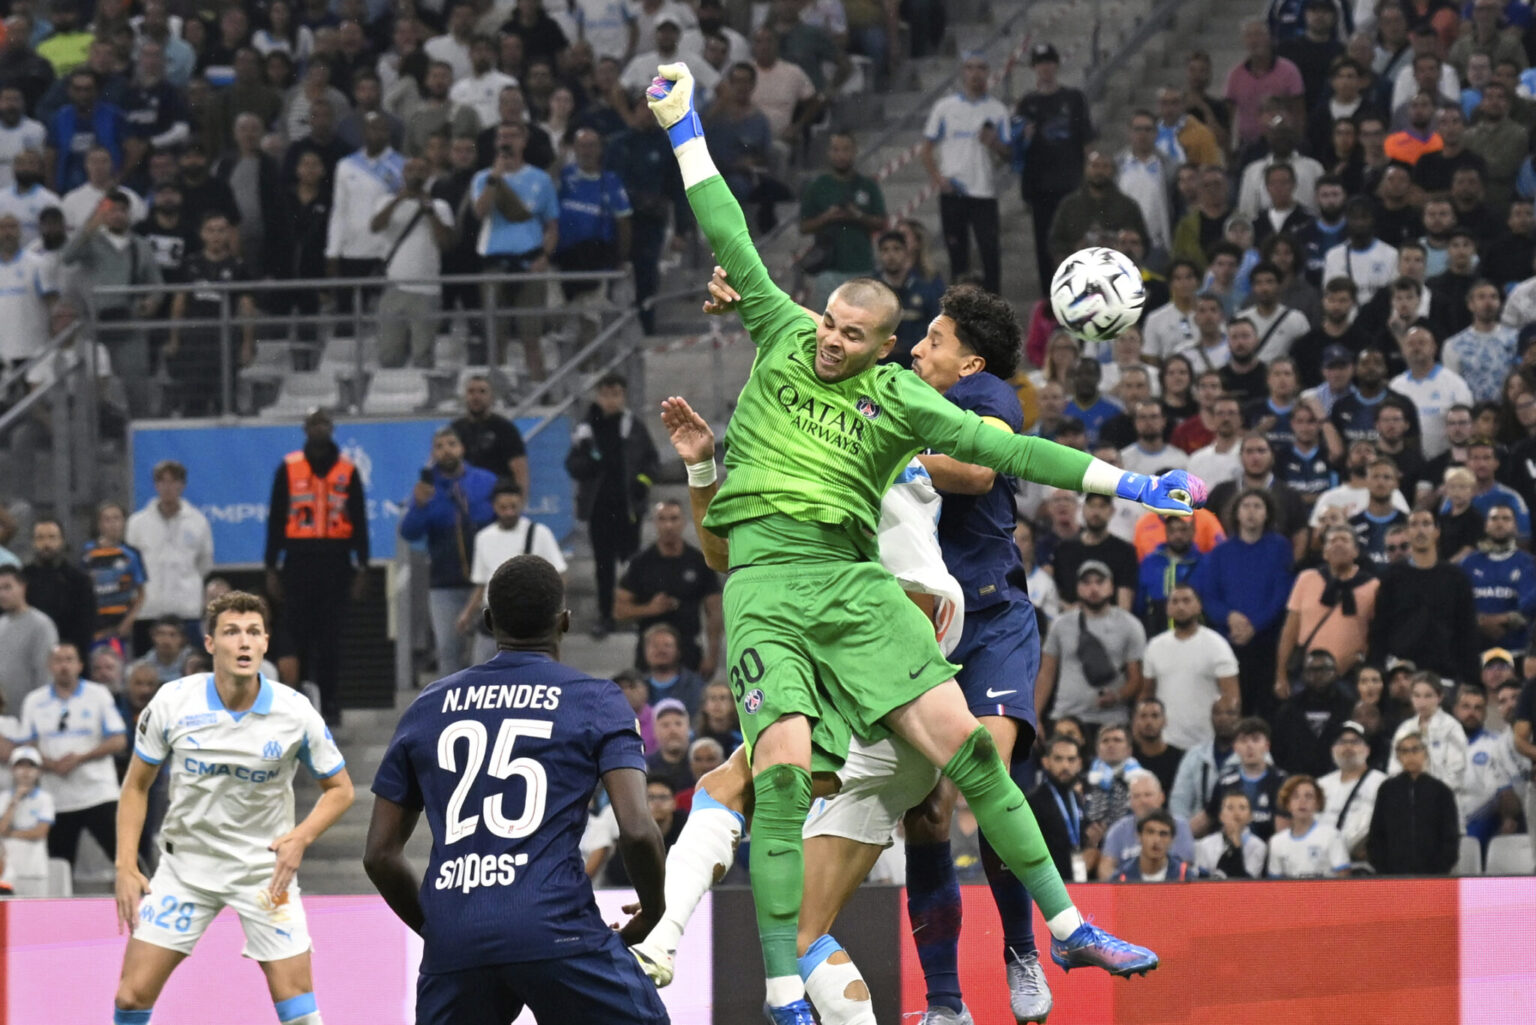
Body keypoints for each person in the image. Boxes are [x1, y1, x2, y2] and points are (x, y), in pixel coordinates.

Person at [643, 64, 1174, 1019]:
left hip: (861, 590)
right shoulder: (780, 330)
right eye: (830, 324)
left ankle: (1064, 928)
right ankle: (780, 989)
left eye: (854, 336)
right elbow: (727, 226)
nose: (830, 341)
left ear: (885, 350)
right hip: (768, 589)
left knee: (972, 754)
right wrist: (683, 127)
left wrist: (1131, 483)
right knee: (779, 778)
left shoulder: (901, 401)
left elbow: (1010, 451)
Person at [364, 555, 670, 1025]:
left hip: (456, 935)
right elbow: (638, 831)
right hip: (556, 929)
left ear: (489, 622)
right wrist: (652, 909)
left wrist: (439, 930)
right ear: (564, 621)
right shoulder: (595, 699)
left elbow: (380, 855)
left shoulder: (428, 706)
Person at [113, 591, 353, 1025]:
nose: (244, 642)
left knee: (300, 1011)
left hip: (263, 873)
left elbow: (340, 789)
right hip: (186, 868)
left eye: (253, 632)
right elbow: (136, 786)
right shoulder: (172, 702)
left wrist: (301, 837)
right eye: (231, 632)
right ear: (210, 644)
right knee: (131, 997)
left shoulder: (295, 712)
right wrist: (126, 865)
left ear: (265, 643)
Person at [264, 408, 370, 726]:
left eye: (324, 423)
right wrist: (271, 567)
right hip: (298, 563)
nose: (319, 428)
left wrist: (363, 566)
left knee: (331, 639)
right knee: (297, 636)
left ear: (331, 428)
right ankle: (300, 700)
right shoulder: (289, 467)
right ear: (305, 428)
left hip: (336, 564)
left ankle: (332, 701)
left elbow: (359, 519)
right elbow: (276, 518)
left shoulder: (347, 469)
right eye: (313, 423)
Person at [565, 373, 659, 639]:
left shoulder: (633, 426)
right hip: (599, 507)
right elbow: (572, 464)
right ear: (598, 396)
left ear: (624, 396)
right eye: (605, 394)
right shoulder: (586, 429)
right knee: (603, 565)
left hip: (628, 506)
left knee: (632, 562)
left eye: (616, 394)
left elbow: (652, 461)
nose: (610, 400)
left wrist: (642, 483)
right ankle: (606, 615)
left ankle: (635, 612)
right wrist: (588, 464)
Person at [401, 427, 498, 676]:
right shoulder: (427, 489)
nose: (446, 450)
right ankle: (451, 700)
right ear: (433, 453)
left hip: (486, 583)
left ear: (462, 448)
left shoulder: (485, 481)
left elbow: (505, 522)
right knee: (448, 650)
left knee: (489, 652)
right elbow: (410, 533)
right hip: (445, 584)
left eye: (451, 444)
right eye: (439, 446)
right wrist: (419, 506)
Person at [1190, 489, 1295, 719]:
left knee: (1268, 711)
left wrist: (1254, 625)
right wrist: (1229, 617)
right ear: (1236, 513)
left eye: (1257, 506)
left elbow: (1282, 595)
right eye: (1246, 506)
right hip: (1229, 641)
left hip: (1267, 643)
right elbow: (1209, 596)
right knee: (1234, 709)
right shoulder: (1220, 552)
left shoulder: (1280, 548)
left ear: (1267, 514)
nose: (1251, 512)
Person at [20, 642, 124, 873]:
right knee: (59, 866)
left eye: (69, 660)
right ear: (50, 666)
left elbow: (118, 740)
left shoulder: (98, 694)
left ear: (80, 665)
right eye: (58, 660)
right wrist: (50, 764)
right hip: (57, 798)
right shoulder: (34, 701)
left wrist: (81, 757)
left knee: (125, 856)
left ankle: (147, 893)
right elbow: (27, 745)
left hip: (98, 793)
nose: (64, 666)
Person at [921, 51, 1011, 295]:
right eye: (970, 67)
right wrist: (938, 178)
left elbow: (1008, 154)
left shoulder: (997, 110)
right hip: (954, 192)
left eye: (981, 67)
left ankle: (994, 309)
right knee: (957, 256)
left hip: (984, 192)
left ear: (988, 73)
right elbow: (926, 149)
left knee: (990, 254)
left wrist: (994, 143)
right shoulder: (945, 107)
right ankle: (958, 309)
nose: (975, 73)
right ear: (963, 72)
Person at [1016, 42, 1094, 294]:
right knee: (1044, 245)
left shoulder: (1073, 98)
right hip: (1040, 185)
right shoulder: (1027, 103)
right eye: (1040, 63)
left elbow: (1086, 139)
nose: (1045, 68)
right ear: (1034, 68)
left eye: (1049, 62)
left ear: (1056, 65)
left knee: (1075, 241)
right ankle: (1048, 296)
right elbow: (1017, 147)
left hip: (1070, 182)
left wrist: (1088, 177)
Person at [615, 500, 722, 679]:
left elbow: (714, 613)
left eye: (673, 518)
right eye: (662, 519)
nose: (668, 526)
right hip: (650, 651)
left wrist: (712, 655)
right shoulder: (640, 563)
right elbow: (619, 611)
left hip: (689, 650)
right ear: (655, 523)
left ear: (684, 522)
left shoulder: (699, 561)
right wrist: (650, 609)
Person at [462, 479, 566, 664]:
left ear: (521, 504)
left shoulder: (539, 533)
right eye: (503, 507)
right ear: (494, 506)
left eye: (513, 507)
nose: (509, 512)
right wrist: (467, 614)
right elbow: (481, 583)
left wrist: (551, 609)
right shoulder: (483, 538)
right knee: (482, 669)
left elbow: (559, 575)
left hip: (529, 620)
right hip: (492, 619)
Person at [1371, 509, 1480, 684]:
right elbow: (1380, 629)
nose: (1420, 530)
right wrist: (1379, 669)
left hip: (1446, 676)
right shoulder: (1392, 577)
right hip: (1402, 677)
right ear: (1407, 533)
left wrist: (1470, 679)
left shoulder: (1456, 578)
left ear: (1437, 531)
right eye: (1414, 524)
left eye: (1426, 524)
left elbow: (1467, 632)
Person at [1036, 562, 1148, 731]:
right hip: (1066, 718)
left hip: (1112, 722)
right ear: (1078, 588)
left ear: (1111, 587)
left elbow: (1137, 679)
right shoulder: (1061, 624)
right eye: (1086, 582)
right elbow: (1046, 674)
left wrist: (1117, 696)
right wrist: (1035, 716)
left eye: (1100, 582)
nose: (1093, 588)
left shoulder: (1130, 625)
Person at [370, 154, 454, 369]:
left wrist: (430, 211)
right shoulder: (386, 201)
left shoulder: (440, 206)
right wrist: (399, 199)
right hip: (394, 287)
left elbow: (446, 244)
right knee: (389, 355)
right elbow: (375, 227)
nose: (415, 174)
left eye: (421, 170)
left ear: (429, 175)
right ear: (403, 173)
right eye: (410, 169)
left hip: (427, 289)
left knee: (423, 355)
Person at [126, 461, 213, 653]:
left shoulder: (198, 521)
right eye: (162, 481)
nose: (168, 487)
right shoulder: (137, 523)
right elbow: (131, 565)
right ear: (156, 485)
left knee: (189, 664)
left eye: (173, 481)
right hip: (148, 610)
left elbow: (205, 563)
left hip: (186, 610)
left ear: (182, 485)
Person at [1140, 585, 1240, 753]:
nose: (1180, 606)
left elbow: (1232, 698)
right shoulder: (1155, 646)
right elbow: (1147, 693)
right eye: (1175, 601)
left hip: (1206, 741)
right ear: (1167, 608)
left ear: (1199, 606)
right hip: (1165, 742)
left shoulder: (1217, 645)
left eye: (1186, 601)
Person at [798, 130, 886, 307]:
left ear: (854, 151)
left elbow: (882, 222)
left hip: (861, 266)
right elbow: (804, 226)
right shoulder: (818, 186)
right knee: (827, 318)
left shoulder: (867, 185)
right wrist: (827, 217)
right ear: (828, 153)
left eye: (846, 149)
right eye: (836, 150)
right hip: (828, 268)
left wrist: (857, 215)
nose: (841, 155)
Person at [1368, 731, 1461, 875]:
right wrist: (1383, 867)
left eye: (1415, 749)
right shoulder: (1387, 789)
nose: (1410, 756)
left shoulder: (1441, 791)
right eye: (1404, 751)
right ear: (1398, 757)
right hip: (1392, 874)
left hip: (1433, 874)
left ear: (1425, 753)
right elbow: (1377, 833)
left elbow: (1450, 835)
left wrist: (1441, 868)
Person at [1452, 684, 1523, 849]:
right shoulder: (1439, 744)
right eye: (1466, 707)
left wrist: (1508, 817)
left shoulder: (1497, 744)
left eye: (1478, 708)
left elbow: (1506, 791)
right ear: (1455, 710)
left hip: (1483, 824)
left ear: (1485, 713)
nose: (1471, 713)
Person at [1095, 769, 1195, 879]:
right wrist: (1121, 885)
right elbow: (1105, 867)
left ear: (1161, 797)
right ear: (1130, 802)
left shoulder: (1179, 825)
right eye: (1137, 796)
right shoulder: (1117, 830)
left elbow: (1184, 867)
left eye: (1148, 795)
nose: (1143, 801)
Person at [1204, 717, 1286, 842]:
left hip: (1268, 849)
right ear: (1235, 747)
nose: (1249, 746)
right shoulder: (1225, 782)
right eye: (1243, 740)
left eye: (1255, 740)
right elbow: (1208, 816)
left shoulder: (1281, 782)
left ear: (1267, 746)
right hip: (1230, 847)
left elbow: (1285, 831)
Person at [23, 518, 96, 658]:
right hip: (30, 654)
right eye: (40, 538)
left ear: (62, 541)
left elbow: (86, 625)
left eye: (52, 537)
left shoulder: (79, 581)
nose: (46, 544)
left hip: (69, 656)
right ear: (33, 542)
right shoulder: (22, 579)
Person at [1316, 720, 1387, 861]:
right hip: (1322, 861)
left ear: (1367, 750)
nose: (1348, 747)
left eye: (1355, 742)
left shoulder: (1382, 783)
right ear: (1332, 749)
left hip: (1361, 862)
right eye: (1341, 742)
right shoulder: (1320, 785)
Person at [1388, 672, 1469, 794]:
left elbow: (1457, 772)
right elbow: (1394, 768)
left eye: (1428, 696)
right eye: (1416, 695)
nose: (1422, 702)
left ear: (1440, 697)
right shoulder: (1404, 729)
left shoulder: (1452, 728)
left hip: (1443, 797)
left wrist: (1430, 793)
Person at [1026, 733, 1086, 881]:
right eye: (1058, 759)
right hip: (1047, 881)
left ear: (1079, 763)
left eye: (1071, 759)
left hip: (1077, 881)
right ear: (1046, 762)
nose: (1065, 766)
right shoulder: (1033, 801)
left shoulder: (1078, 799)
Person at [1265, 774, 1349, 877]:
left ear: (1317, 803)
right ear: (1287, 804)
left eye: (1308, 796)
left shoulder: (1331, 836)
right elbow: (1275, 883)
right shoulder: (1277, 842)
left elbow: (1344, 879)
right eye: (1295, 796)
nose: (1302, 802)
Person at [0, 744, 52, 895]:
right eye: (20, 766)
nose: (26, 771)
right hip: (8, 871)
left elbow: (40, 832)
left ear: (39, 771)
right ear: (12, 769)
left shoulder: (44, 799)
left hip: (35, 869)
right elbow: (1, 829)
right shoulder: (3, 798)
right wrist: (15, 800)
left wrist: (10, 833)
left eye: (31, 766)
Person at [1192, 789, 1265, 878]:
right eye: (1230, 808)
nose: (1236, 813)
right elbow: (1201, 881)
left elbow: (1246, 882)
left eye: (1242, 808)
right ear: (1221, 816)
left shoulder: (1258, 846)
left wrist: (1237, 845)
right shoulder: (1205, 844)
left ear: (1250, 817)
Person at [1109, 810, 1202, 881]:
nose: (1157, 840)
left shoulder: (1186, 877)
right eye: (1150, 832)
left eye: (1163, 834)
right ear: (1139, 836)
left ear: (1172, 840)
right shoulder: (1121, 878)